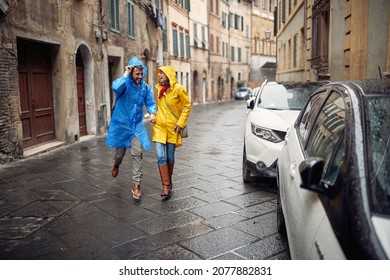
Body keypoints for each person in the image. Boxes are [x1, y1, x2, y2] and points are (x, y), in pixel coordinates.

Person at [106, 56, 157, 200]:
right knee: (119, 154)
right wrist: (125, 74)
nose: (140, 76)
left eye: (142, 74)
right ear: (132, 73)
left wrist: (152, 112)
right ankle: (116, 164)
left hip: (137, 125)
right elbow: (115, 87)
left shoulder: (145, 88)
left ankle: (136, 185)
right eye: (137, 74)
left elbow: (151, 103)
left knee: (137, 153)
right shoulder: (125, 84)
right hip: (122, 125)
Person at [152, 66, 191, 199]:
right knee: (160, 156)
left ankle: (168, 182)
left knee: (170, 158)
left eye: (162, 73)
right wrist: (153, 115)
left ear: (169, 75)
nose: (159, 75)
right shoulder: (159, 89)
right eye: (159, 73)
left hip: (173, 128)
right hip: (159, 128)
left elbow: (187, 105)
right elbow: (159, 108)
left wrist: (180, 123)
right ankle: (166, 186)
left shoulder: (178, 89)